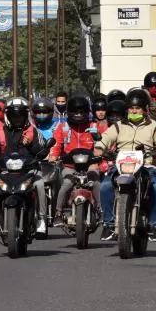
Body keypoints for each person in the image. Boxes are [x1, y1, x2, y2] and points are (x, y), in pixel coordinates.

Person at [94, 88, 156, 242]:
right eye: (131, 108)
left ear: (144, 110)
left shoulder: (154, 126)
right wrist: (99, 147)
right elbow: (105, 138)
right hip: (122, 165)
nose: (134, 110)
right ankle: (108, 224)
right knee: (105, 186)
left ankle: (153, 224)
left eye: (137, 108)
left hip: (147, 164)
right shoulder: (118, 126)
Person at [0, 97, 51, 237]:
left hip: (28, 172)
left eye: (20, 116)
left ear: (26, 116)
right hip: (5, 172)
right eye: (14, 116)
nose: (17, 119)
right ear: (8, 116)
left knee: (40, 184)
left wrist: (30, 144)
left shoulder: (34, 132)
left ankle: (41, 219)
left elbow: (43, 150)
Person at [51, 96, 101, 225]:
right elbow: (56, 145)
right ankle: (58, 213)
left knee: (95, 181)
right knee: (66, 184)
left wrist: (98, 141)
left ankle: (101, 209)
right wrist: (53, 156)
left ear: (87, 113)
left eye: (81, 112)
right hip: (70, 165)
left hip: (90, 164)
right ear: (69, 112)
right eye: (75, 112)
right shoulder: (63, 127)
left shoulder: (94, 126)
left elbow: (102, 145)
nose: (78, 115)